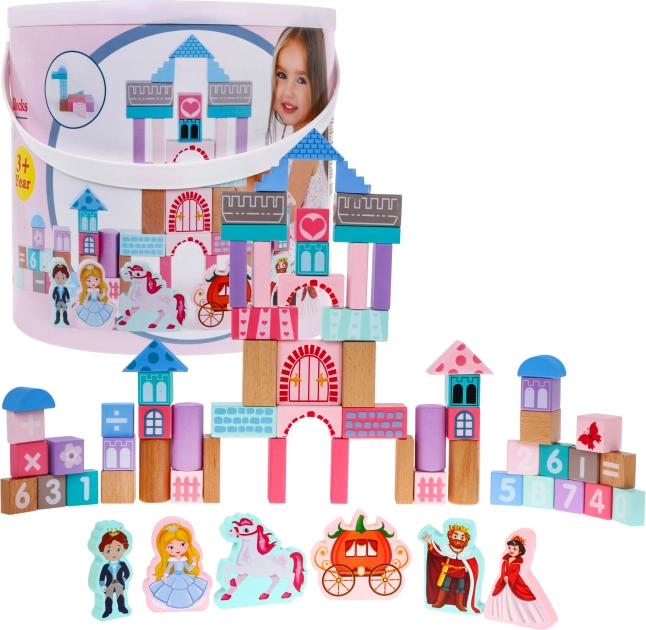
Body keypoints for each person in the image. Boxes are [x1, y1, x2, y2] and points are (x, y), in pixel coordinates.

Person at [485, 535, 547, 625]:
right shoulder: (505, 558)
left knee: (519, 595)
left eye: (514, 549)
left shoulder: (519, 561)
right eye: (509, 548)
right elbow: (502, 569)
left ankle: (522, 617)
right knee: (502, 596)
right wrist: (503, 577)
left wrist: (509, 578)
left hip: (514, 580)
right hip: (504, 579)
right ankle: (503, 614)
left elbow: (516, 571)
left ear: (520, 551)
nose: (511, 550)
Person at [421, 524, 482, 613]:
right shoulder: (447, 548)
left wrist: (468, 568)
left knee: (460, 588)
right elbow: (438, 551)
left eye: (462, 537)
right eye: (455, 536)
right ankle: (440, 602)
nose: (458, 539)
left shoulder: (467, 552)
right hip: (448, 571)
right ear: (450, 536)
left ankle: (459, 604)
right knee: (445, 586)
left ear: (466, 539)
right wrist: (430, 541)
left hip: (461, 572)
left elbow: (471, 563)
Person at [148, 523, 209, 610]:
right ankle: (173, 603)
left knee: (187, 590)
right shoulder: (172, 560)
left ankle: (184, 602)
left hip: (184, 577)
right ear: (165, 549)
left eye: (182, 544)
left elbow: (188, 568)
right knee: (172, 591)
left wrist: (194, 563)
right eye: (171, 547)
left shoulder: (184, 559)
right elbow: (168, 569)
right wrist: (165, 576)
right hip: (174, 577)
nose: (177, 549)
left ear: (188, 544)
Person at [97, 529, 130, 619]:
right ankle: (108, 610)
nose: (114, 554)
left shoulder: (122, 564)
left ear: (124, 549)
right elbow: (101, 577)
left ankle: (122, 607)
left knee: (120, 596)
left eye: (118, 549)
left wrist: (123, 579)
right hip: (109, 584)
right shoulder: (105, 566)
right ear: (102, 552)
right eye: (109, 551)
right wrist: (102, 585)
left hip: (119, 583)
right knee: (108, 597)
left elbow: (127, 573)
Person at [75, 262, 113, 328]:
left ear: (100, 278)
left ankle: (97, 322)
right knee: (88, 313)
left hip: (97, 303)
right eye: (89, 281)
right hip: (90, 303)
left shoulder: (97, 290)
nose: (93, 283)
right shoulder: (89, 291)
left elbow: (100, 296)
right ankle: (91, 322)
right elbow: (87, 297)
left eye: (96, 279)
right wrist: (85, 301)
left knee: (99, 313)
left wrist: (104, 293)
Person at [50, 262, 71, 326]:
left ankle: (65, 320)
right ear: (54, 278)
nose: (60, 280)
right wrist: (54, 300)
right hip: (58, 302)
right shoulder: (55, 288)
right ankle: (57, 320)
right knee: (58, 311)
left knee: (64, 311)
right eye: (57, 278)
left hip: (64, 302)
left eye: (63, 278)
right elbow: (53, 295)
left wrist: (68, 301)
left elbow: (68, 296)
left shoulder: (65, 289)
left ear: (67, 278)